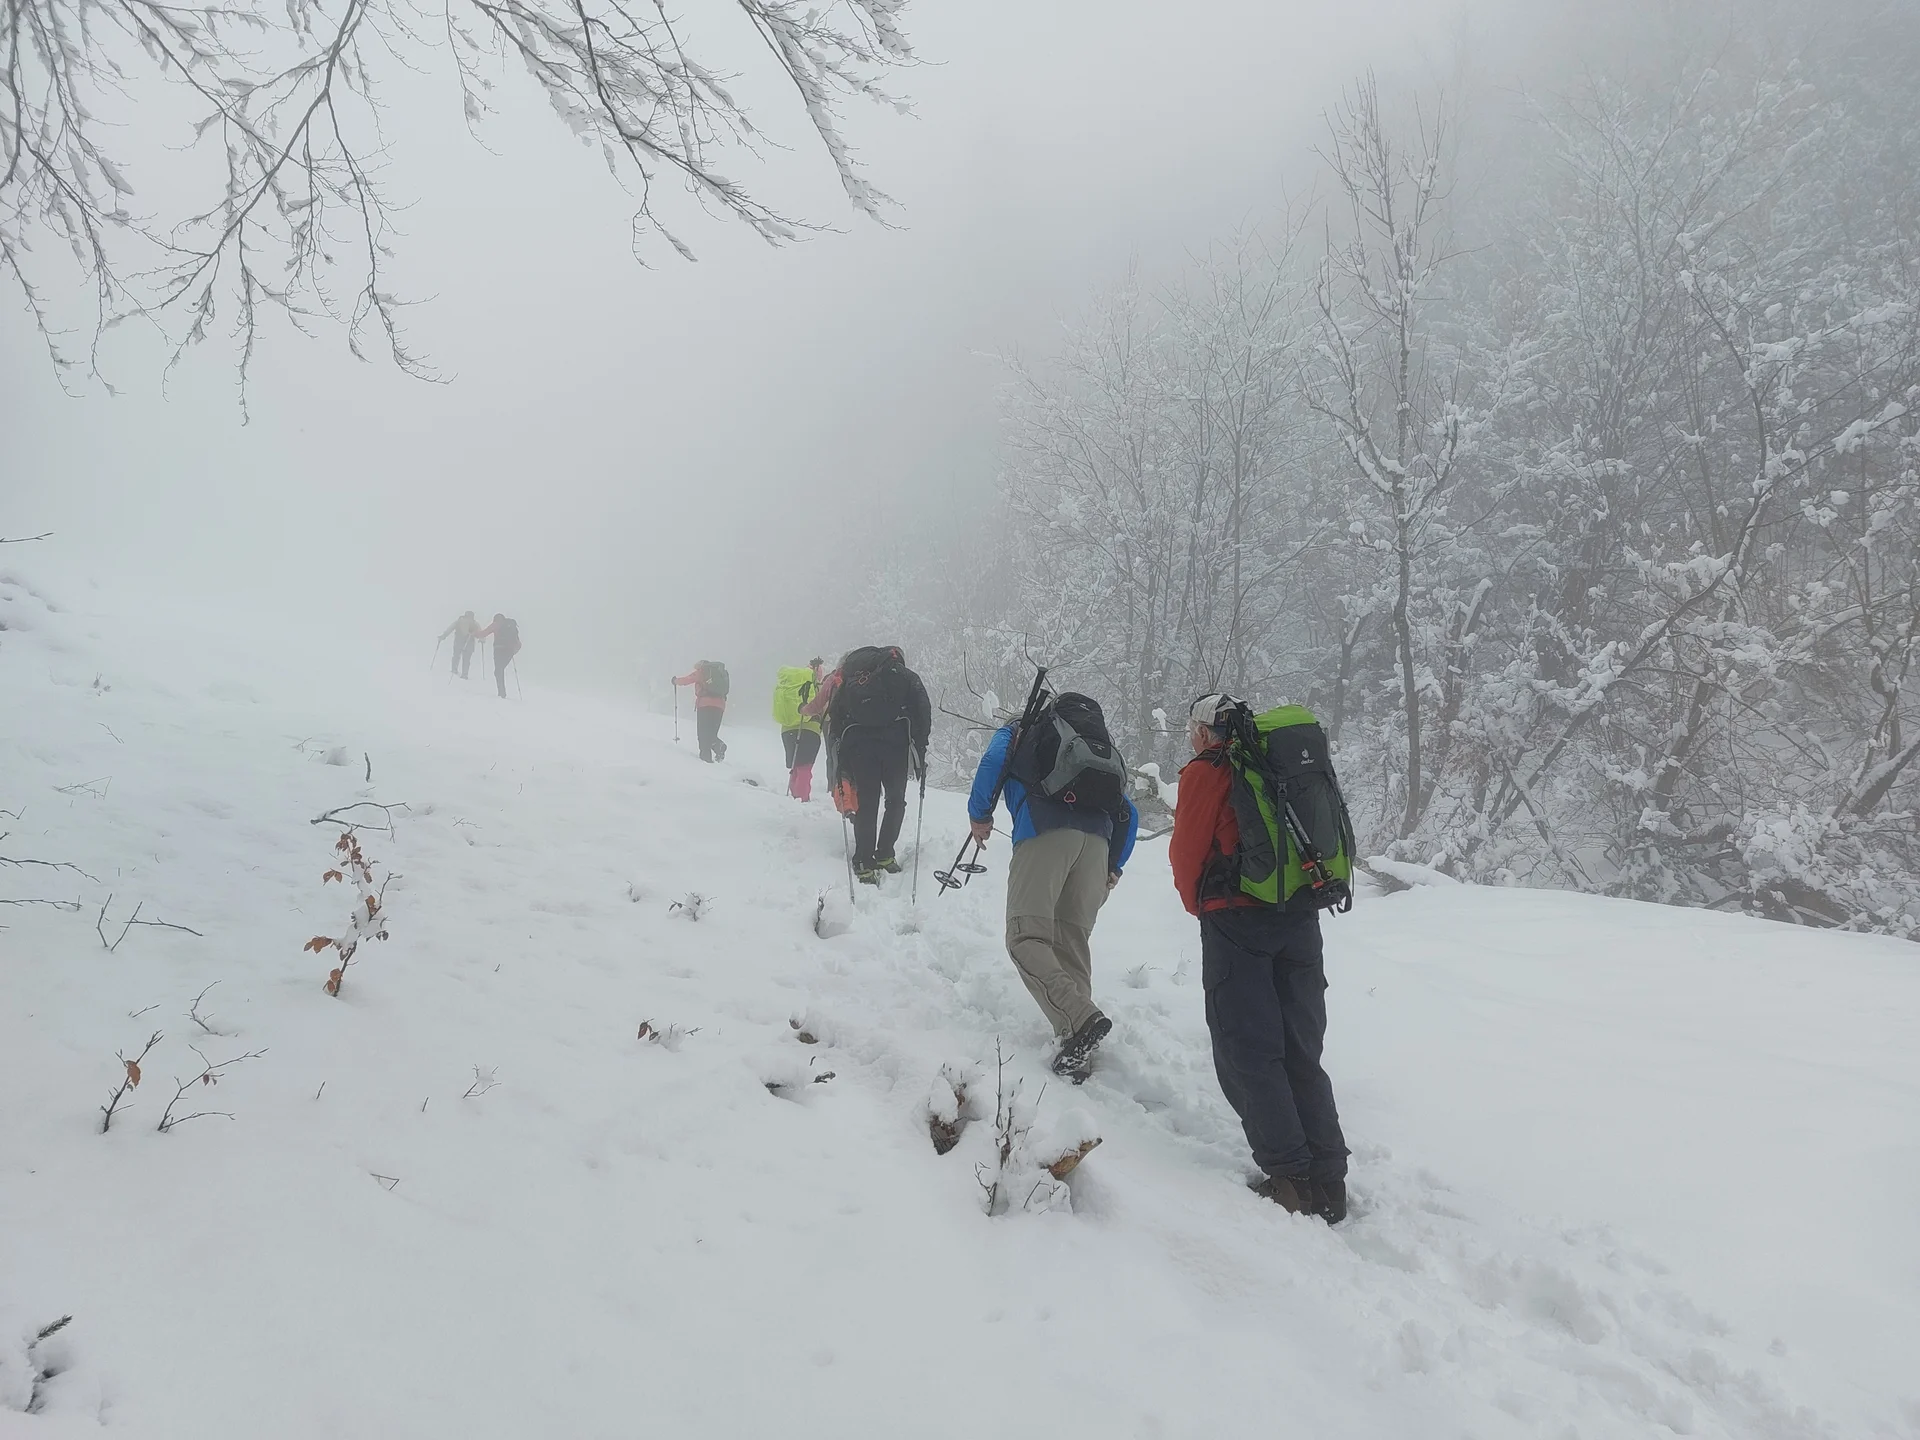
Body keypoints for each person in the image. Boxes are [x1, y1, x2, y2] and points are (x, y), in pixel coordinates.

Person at [1170, 693, 1349, 1223]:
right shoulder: (1281, 765)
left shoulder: (1210, 769)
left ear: (1205, 732)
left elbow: (1187, 853)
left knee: (1248, 1049)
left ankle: (1289, 1178)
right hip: (1300, 916)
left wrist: (1197, 906)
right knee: (1300, 1048)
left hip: (1237, 921)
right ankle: (1329, 1180)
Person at [967, 690, 1139, 1083]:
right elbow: (1129, 810)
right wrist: (1114, 864)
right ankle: (1078, 1053)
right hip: (1097, 845)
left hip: (1044, 833)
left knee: (1026, 939)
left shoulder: (1022, 729)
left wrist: (979, 815)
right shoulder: (1096, 750)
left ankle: (1080, 1021)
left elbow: (993, 761)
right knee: (1070, 946)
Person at [826, 646, 930, 883]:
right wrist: (920, 748)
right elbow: (923, 711)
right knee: (895, 800)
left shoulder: (853, 679)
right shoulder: (905, 676)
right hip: (895, 747)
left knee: (867, 801)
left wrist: (839, 752)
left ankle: (863, 861)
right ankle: (885, 854)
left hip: (860, 748)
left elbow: (836, 715)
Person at [773, 659, 825, 801]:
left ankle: (795, 796)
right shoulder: (816, 687)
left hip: (787, 730)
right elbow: (823, 708)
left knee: (796, 765)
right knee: (805, 767)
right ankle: (802, 798)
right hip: (810, 729)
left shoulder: (793, 686)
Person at [673, 661, 730, 762]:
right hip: (720, 706)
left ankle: (706, 760)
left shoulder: (702, 671)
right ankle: (718, 746)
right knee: (711, 734)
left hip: (705, 705)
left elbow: (687, 680)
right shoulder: (719, 675)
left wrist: (675, 681)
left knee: (703, 734)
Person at [475, 613, 521, 699]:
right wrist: (512, 652)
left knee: (498, 671)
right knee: (500, 670)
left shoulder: (496, 624)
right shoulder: (510, 626)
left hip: (498, 650)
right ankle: (502, 693)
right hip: (509, 651)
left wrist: (473, 633)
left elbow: (483, 633)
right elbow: (519, 644)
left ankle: (501, 693)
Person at [438, 611, 481, 679]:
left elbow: (450, 628)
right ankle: (465, 674)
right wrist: (482, 639)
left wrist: (443, 636)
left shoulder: (459, 621)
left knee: (456, 655)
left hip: (458, 641)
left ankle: (454, 669)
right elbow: (479, 632)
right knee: (466, 659)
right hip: (470, 643)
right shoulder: (475, 623)